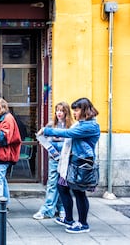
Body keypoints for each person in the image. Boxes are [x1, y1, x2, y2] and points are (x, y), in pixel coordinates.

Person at [39, 97, 100, 234]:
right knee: (62, 187)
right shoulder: (81, 123)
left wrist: (47, 131)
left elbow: (68, 133)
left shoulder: (90, 126)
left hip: (81, 164)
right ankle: (68, 219)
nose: (74, 113)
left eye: (77, 110)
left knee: (79, 193)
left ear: (84, 110)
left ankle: (83, 224)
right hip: (70, 163)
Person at [33, 102, 73, 220]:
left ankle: (62, 208)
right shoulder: (51, 125)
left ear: (66, 112)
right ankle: (47, 209)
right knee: (52, 183)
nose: (59, 113)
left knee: (63, 184)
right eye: (57, 110)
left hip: (66, 159)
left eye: (62, 110)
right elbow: (43, 138)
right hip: (54, 158)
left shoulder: (71, 126)